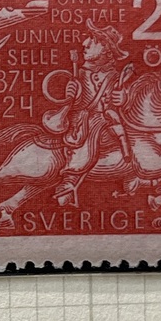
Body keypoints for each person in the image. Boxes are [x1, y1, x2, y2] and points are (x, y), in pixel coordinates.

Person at [41, 21, 133, 208]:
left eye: (93, 40)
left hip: (109, 121)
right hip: (83, 123)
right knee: (93, 126)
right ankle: (70, 179)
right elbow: (71, 104)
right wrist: (71, 94)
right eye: (88, 38)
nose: (85, 43)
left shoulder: (114, 76)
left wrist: (124, 98)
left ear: (106, 49)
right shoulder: (80, 74)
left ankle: (135, 168)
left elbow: (126, 101)